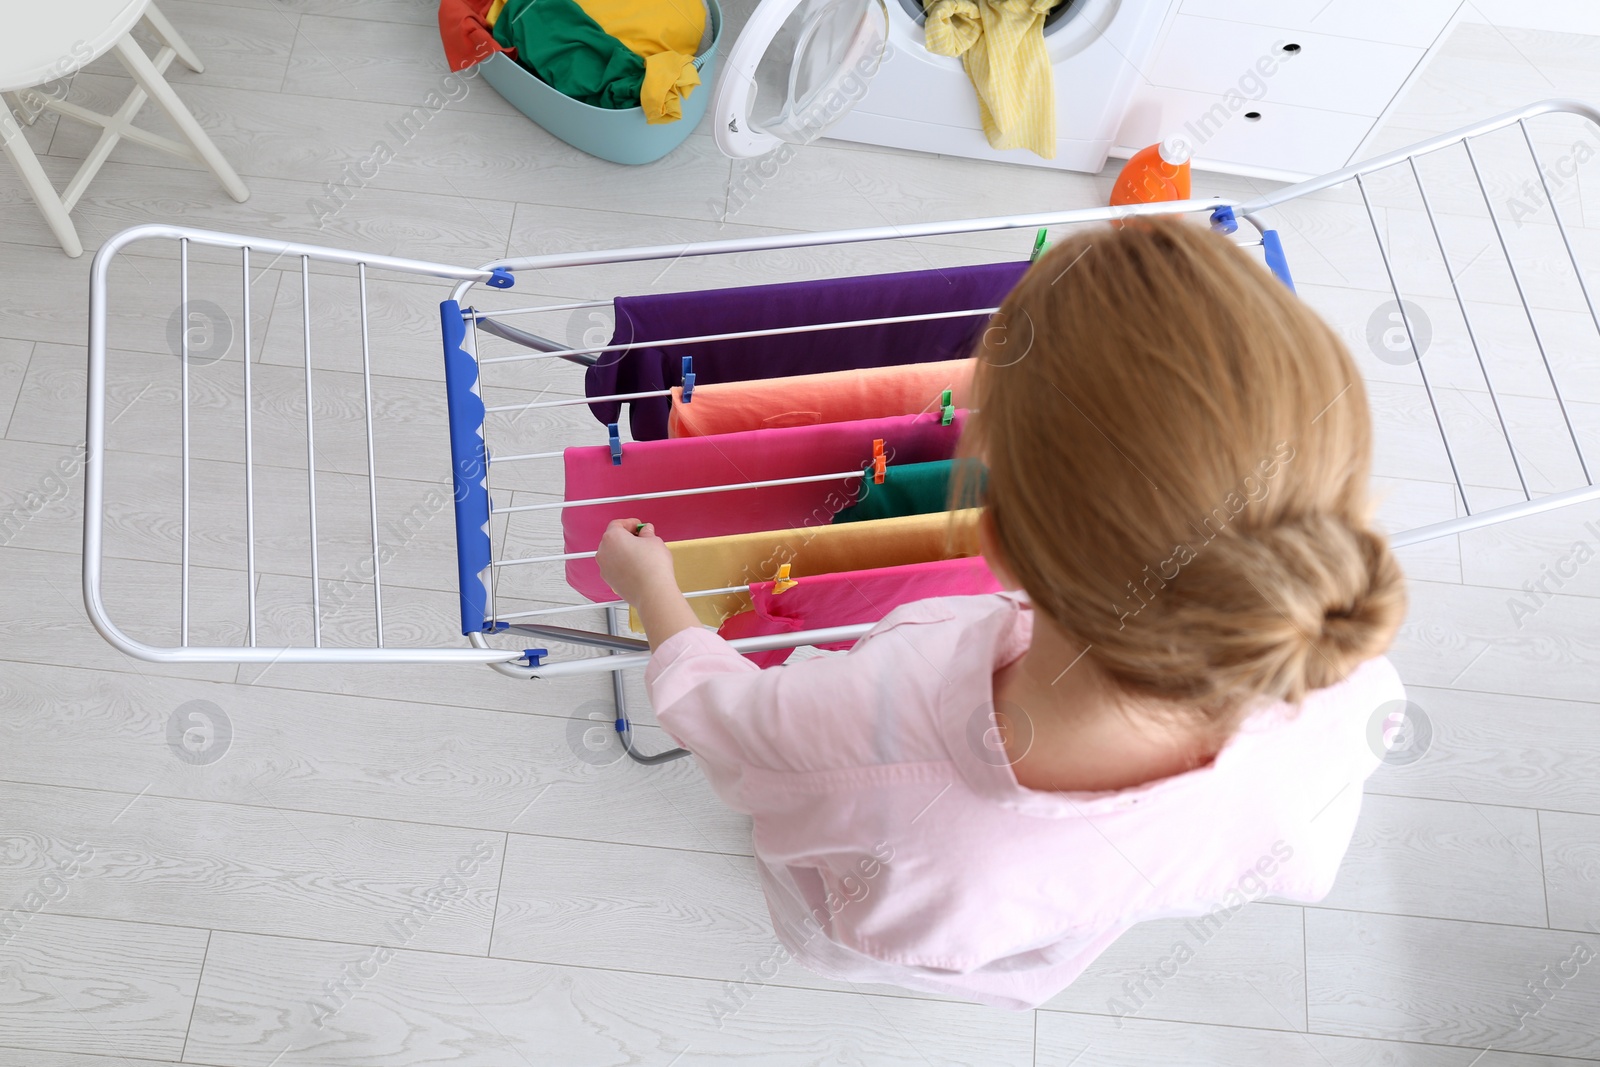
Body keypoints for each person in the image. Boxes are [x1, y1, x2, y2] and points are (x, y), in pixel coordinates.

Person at [593, 217, 1407, 1010]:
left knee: (811, 855)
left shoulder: (881, 719)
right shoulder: (1351, 688)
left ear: (998, 547)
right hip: (1043, 934)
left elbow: (731, 726)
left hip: (866, 912)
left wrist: (654, 590)